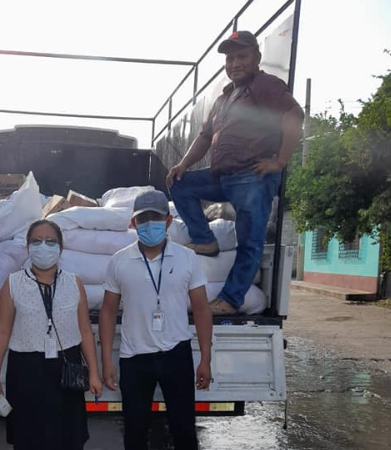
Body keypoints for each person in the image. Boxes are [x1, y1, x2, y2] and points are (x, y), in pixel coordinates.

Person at [166, 30, 304, 315]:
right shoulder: (225, 97)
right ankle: (205, 240)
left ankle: (230, 299)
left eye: (241, 56)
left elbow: (294, 115)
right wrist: (184, 165)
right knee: (180, 184)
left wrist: (280, 161)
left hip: (252, 177)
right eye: (230, 59)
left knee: (249, 243)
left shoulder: (265, 85)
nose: (234, 63)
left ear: (257, 58)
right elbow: (205, 137)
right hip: (223, 176)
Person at [99, 190, 213, 450]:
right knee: (135, 431)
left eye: (156, 218)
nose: (149, 224)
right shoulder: (119, 261)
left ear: (169, 221)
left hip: (176, 354)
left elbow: (201, 309)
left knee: (184, 430)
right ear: (133, 223)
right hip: (134, 358)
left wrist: (206, 359)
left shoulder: (187, 258)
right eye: (143, 219)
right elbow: (107, 311)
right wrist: (106, 361)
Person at [0, 219, 102, 450]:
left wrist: (94, 373)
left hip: (66, 368)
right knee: (29, 438)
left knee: (68, 438)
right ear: (28, 248)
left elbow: (85, 331)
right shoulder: (13, 284)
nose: (43, 246)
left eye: (50, 241)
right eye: (36, 241)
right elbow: (1, 332)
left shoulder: (74, 283)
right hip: (26, 371)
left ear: (61, 248)